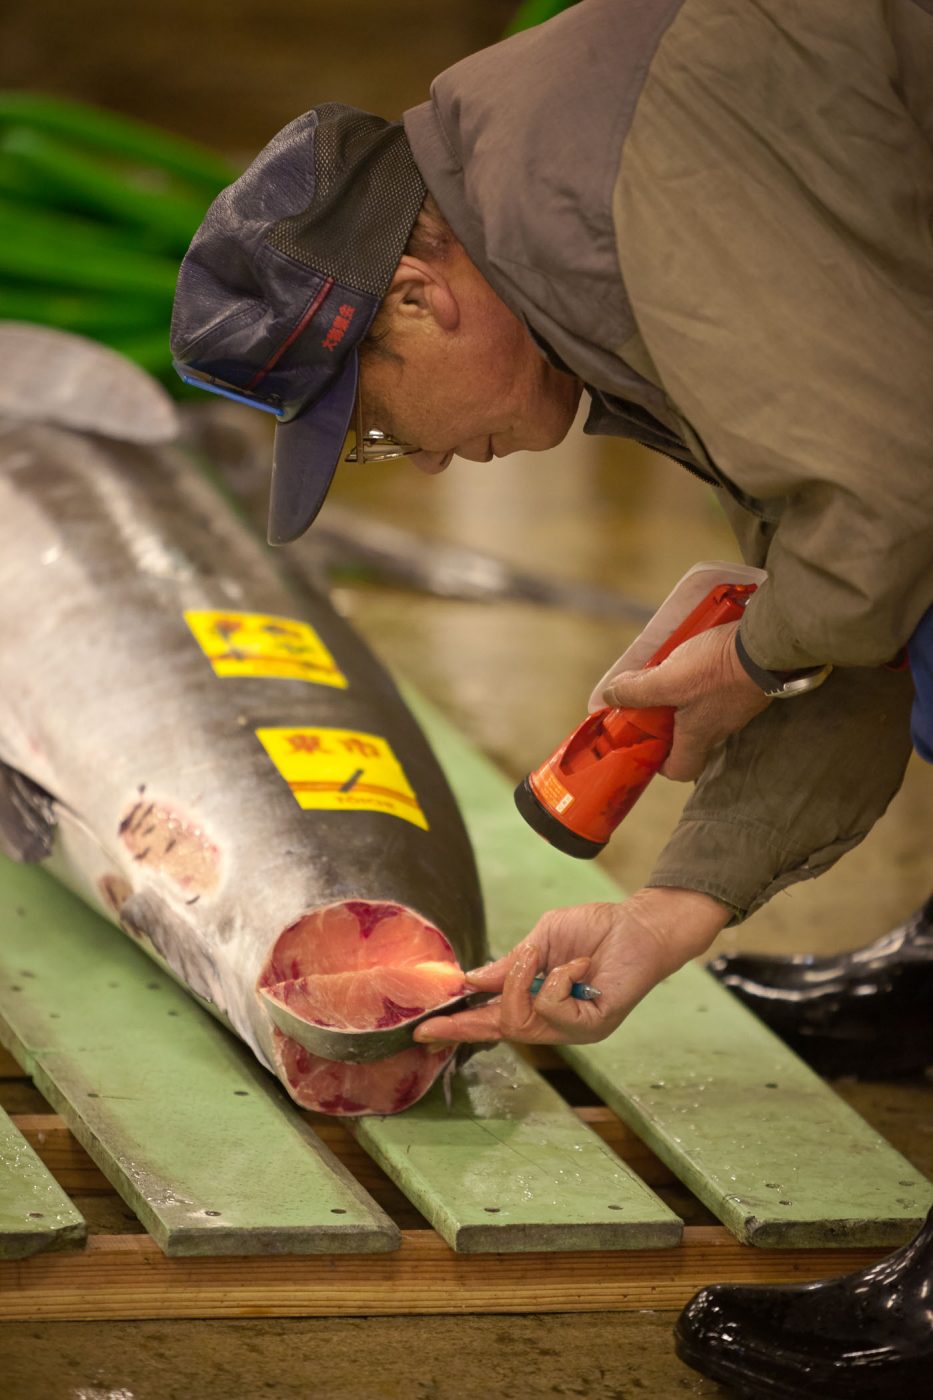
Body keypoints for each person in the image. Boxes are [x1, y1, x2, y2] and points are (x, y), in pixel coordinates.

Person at [170, 2, 932, 1394]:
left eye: (383, 425)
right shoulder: (544, 213)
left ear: (416, 296)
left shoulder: (629, 203)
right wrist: (667, 911)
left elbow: (888, 513)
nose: (429, 462)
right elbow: (858, 597)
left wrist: (767, 648)